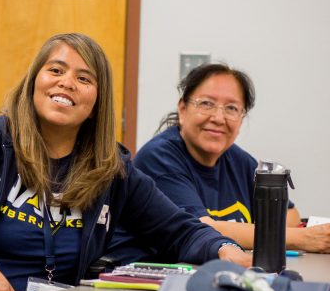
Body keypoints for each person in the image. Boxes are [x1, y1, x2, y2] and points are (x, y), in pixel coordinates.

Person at [0, 33, 251, 291]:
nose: (66, 82)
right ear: (36, 80)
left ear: (96, 103)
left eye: (84, 78)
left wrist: (224, 250)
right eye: (56, 70)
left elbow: (177, 229)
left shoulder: (110, 168)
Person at [127, 63, 330, 254]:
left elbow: (290, 217)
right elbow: (201, 230)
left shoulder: (237, 159)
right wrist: (302, 238)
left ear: (242, 118)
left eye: (232, 108)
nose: (218, 118)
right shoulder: (160, 158)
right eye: (206, 104)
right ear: (182, 109)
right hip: (160, 278)